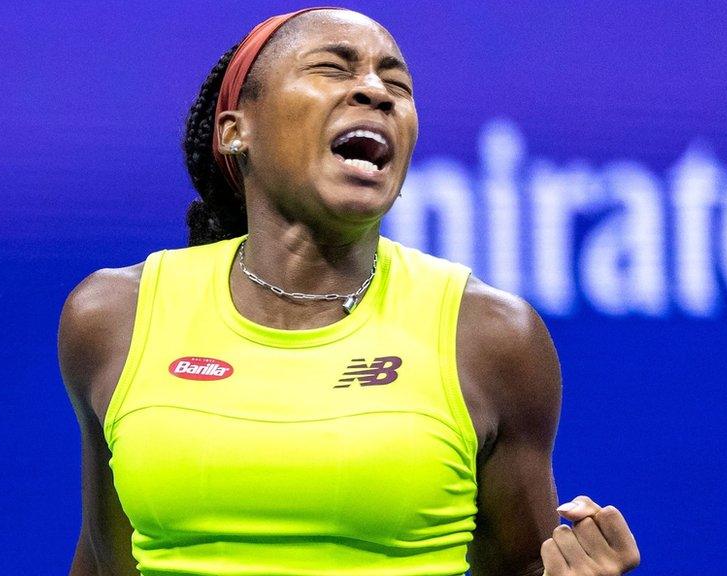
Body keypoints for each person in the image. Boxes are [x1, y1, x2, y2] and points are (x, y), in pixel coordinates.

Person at [59, 7, 640, 576]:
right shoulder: (115, 317)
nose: (376, 93)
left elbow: (520, 567)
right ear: (236, 131)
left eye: (397, 84)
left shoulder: (490, 336)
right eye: (332, 69)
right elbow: (109, 563)